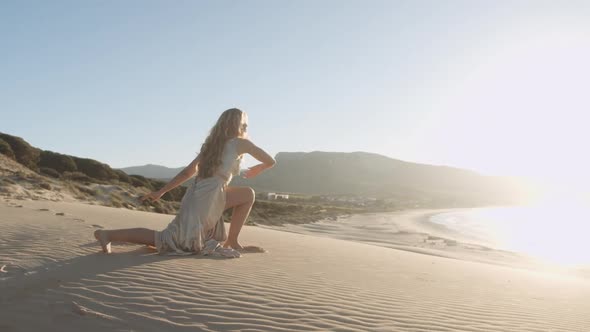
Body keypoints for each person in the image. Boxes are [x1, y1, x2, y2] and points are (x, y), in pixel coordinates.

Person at [94, 108, 275, 258]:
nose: (246, 127)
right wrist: (260, 168)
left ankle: (233, 241)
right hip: (208, 196)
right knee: (168, 240)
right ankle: (107, 234)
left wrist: (162, 192)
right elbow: (270, 160)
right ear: (239, 125)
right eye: (245, 124)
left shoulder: (212, 145)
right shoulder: (240, 143)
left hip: (204, 193)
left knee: (247, 194)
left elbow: (187, 173)